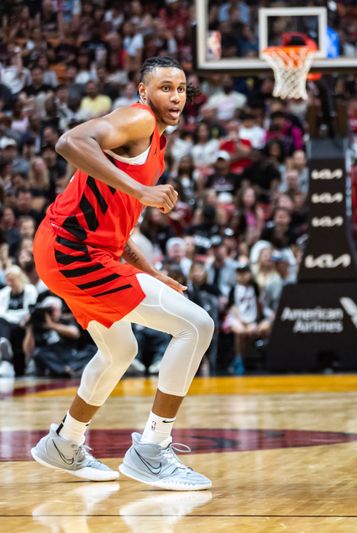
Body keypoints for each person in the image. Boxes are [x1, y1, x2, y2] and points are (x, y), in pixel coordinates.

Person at [29, 57, 215, 491]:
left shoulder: (155, 144)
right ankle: (152, 450)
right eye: (165, 87)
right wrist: (142, 190)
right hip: (73, 252)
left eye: (182, 89)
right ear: (143, 91)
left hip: (70, 251)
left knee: (119, 351)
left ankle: (65, 442)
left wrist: (153, 272)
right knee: (196, 325)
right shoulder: (137, 119)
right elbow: (70, 140)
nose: (176, 96)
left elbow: (120, 227)